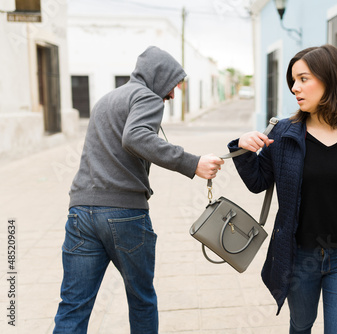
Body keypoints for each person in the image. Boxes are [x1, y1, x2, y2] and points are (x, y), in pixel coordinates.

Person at [53, 46, 224, 334]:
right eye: (171, 86)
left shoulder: (107, 99)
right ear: (158, 78)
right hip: (124, 214)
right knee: (141, 300)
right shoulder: (147, 96)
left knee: (73, 305)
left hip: (80, 212)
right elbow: (135, 136)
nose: (171, 95)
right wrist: (192, 163)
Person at [228, 44, 337, 334]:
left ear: (330, 80)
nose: (295, 88)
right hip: (299, 256)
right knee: (301, 326)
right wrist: (241, 149)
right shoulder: (283, 133)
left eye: (304, 79)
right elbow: (258, 183)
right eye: (293, 80)